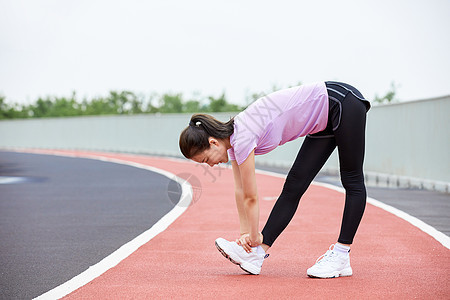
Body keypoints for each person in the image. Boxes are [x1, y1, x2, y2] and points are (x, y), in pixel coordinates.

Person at [179, 81, 370, 278]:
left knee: (352, 179)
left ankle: (341, 254)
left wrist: (254, 235)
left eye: (205, 159)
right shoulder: (234, 141)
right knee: (293, 186)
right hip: (324, 119)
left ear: (213, 142)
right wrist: (245, 236)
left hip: (342, 102)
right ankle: (255, 254)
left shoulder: (243, 136)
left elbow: (251, 197)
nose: (209, 165)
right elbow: (240, 190)